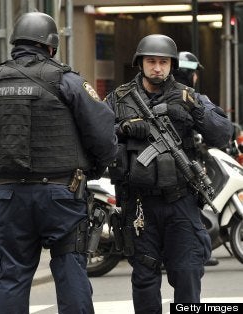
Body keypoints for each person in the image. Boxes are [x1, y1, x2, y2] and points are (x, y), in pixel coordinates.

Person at [0, 12, 117, 313]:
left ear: (15, 43)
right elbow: (103, 135)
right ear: (51, 46)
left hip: (8, 196)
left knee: (13, 275)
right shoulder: (67, 81)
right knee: (70, 268)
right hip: (61, 193)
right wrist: (90, 171)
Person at [105, 34, 232, 313]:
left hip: (180, 201)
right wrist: (123, 130)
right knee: (144, 277)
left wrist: (194, 108)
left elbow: (223, 134)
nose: (158, 68)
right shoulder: (118, 99)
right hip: (138, 204)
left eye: (163, 62)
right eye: (152, 62)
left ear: (172, 65)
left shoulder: (188, 96)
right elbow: (95, 140)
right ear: (141, 63)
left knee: (187, 272)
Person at [172, 51, 222, 267]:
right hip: (180, 171)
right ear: (189, 73)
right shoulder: (188, 97)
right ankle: (199, 251)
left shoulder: (179, 95)